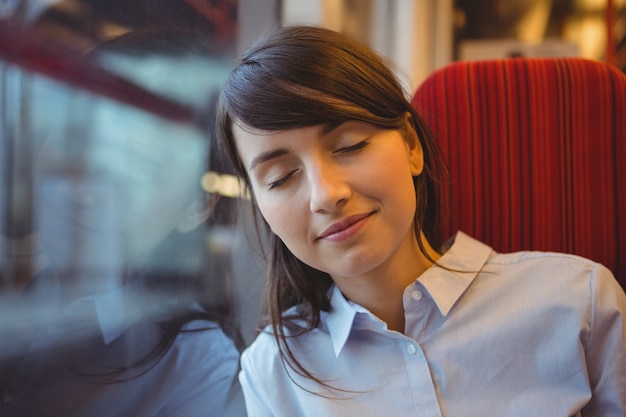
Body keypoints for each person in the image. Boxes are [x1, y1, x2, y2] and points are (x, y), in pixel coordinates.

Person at [215, 25, 626, 416]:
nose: (326, 195)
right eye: (281, 177)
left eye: (350, 145)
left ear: (412, 145)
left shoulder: (579, 304)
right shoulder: (271, 371)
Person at [0, 29, 245, 416]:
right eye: (75, 143)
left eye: (134, 169)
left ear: (196, 207)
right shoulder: (19, 293)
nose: (86, 189)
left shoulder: (198, 362)